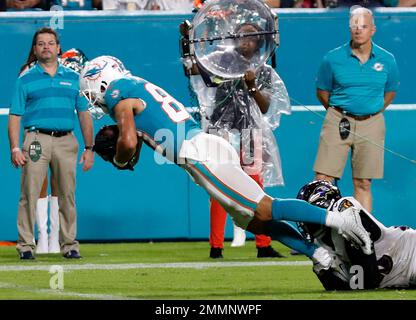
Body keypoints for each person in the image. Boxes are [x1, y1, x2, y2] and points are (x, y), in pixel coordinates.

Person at [80, 55, 373, 270]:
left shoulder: (118, 91)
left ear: (101, 80)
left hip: (200, 154)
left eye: (90, 89)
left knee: (265, 207)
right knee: (256, 221)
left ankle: (340, 219)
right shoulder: (134, 85)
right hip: (203, 148)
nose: (92, 98)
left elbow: (129, 143)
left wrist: (119, 161)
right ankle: (320, 255)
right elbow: (143, 135)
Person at [190, 22, 289, 259]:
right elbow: (195, 69)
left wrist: (252, 86)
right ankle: (216, 247)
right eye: (241, 36)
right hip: (221, 127)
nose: (245, 41)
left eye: (251, 37)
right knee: (218, 185)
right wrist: (189, 42)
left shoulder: (263, 70)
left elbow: (265, 108)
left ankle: (263, 245)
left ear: (259, 41)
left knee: (255, 185)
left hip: (250, 130)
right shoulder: (222, 60)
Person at [8, 27, 94, 260]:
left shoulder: (73, 79)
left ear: (58, 48)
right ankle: (26, 245)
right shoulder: (25, 80)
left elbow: (84, 113)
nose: (46, 47)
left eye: (50, 43)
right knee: (29, 193)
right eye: (41, 43)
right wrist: (15, 147)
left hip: (66, 141)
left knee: (67, 194)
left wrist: (89, 148)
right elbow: (15, 115)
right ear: (35, 49)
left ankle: (69, 245)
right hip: (36, 140)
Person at [313, 6, 399, 213]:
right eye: (354, 26)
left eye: (363, 26)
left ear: (373, 30)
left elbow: (390, 92)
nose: (358, 30)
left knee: (363, 183)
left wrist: (371, 111)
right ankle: (321, 238)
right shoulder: (332, 58)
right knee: (323, 181)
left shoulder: (387, 59)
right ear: (349, 29)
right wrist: (341, 113)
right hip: (338, 119)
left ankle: (363, 238)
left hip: (372, 122)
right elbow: (322, 92)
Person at [297, 180, 416, 290]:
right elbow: (345, 288)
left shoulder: (344, 208)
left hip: (410, 254)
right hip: (396, 276)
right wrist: (324, 272)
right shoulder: (320, 243)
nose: (308, 218)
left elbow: (368, 281)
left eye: (311, 211)